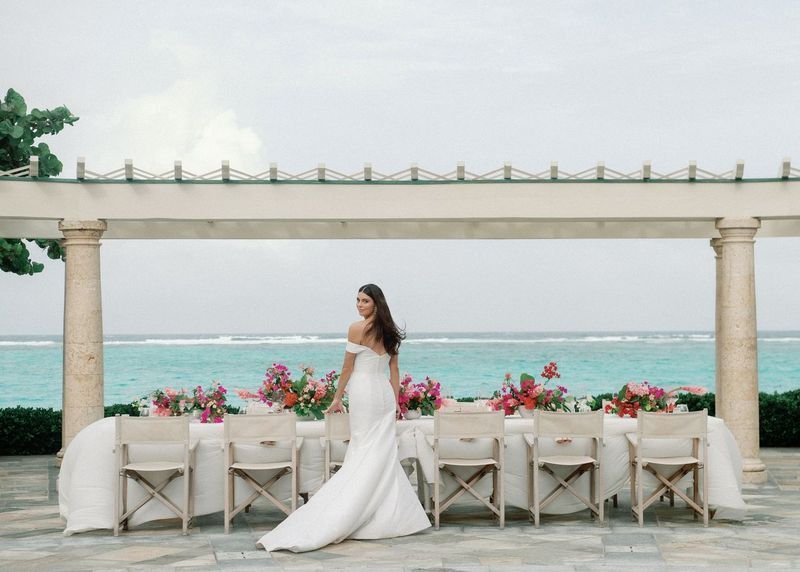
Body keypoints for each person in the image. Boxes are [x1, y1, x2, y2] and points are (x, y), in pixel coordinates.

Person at [256, 283, 431, 552]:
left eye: (364, 301)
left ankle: (353, 510)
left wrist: (337, 398)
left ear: (376, 303)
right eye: (358, 300)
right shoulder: (389, 329)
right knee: (380, 451)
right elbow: (394, 370)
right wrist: (395, 400)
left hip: (363, 392)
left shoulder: (356, 328)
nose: (359, 305)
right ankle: (390, 515)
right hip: (383, 392)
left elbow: (347, 368)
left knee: (364, 449)